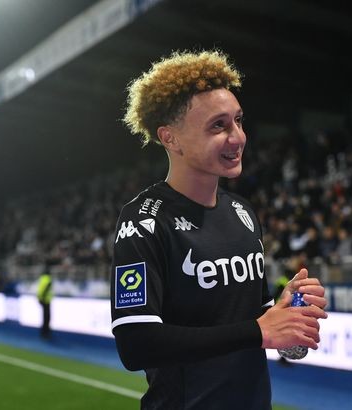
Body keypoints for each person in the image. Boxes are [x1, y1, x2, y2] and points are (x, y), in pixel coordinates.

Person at [111, 50, 327, 409]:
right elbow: (135, 345)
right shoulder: (144, 220)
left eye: (238, 121)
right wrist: (258, 331)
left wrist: (287, 319)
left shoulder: (242, 212)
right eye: (218, 126)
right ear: (171, 138)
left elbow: (259, 328)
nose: (237, 137)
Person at [37, 266, 53, 339]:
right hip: (46, 300)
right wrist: (43, 298)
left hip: (42, 300)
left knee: (44, 317)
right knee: (47, 317)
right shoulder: (48, 279)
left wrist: (40, 298)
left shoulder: (41, 279)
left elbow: (40, 289)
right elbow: (46, 289)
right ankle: (46, 332)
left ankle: (43, 332)